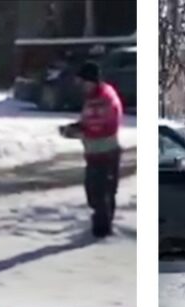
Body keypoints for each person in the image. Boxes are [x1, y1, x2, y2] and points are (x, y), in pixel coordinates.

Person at [62, 62, 123, 238]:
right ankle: (101, 226)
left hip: (106, 152)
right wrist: (76, 126)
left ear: (92, 81)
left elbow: (100, 128)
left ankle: (102, 232)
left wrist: (76, 132)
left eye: (83, 82)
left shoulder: (104, 99)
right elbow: (89, 122)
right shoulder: (93, 97)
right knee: (94, 192)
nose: (80, 86)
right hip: (95, 154)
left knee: (101, 193)